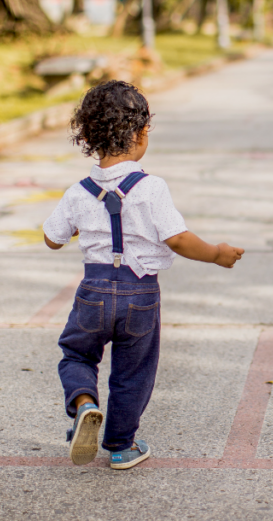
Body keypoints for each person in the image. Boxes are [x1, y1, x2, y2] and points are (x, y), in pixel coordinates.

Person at [42, 80, 244, 469]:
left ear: (87, 136)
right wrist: (216, 253)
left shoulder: (78, 192)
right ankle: (120, 446)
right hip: (140, 295)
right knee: (133, 373)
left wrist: (81, 226)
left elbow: (52, 239)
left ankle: (85, 403)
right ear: (140, 133)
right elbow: (179, 239)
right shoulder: (151, 188)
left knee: (76, 354)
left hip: (93, 293)